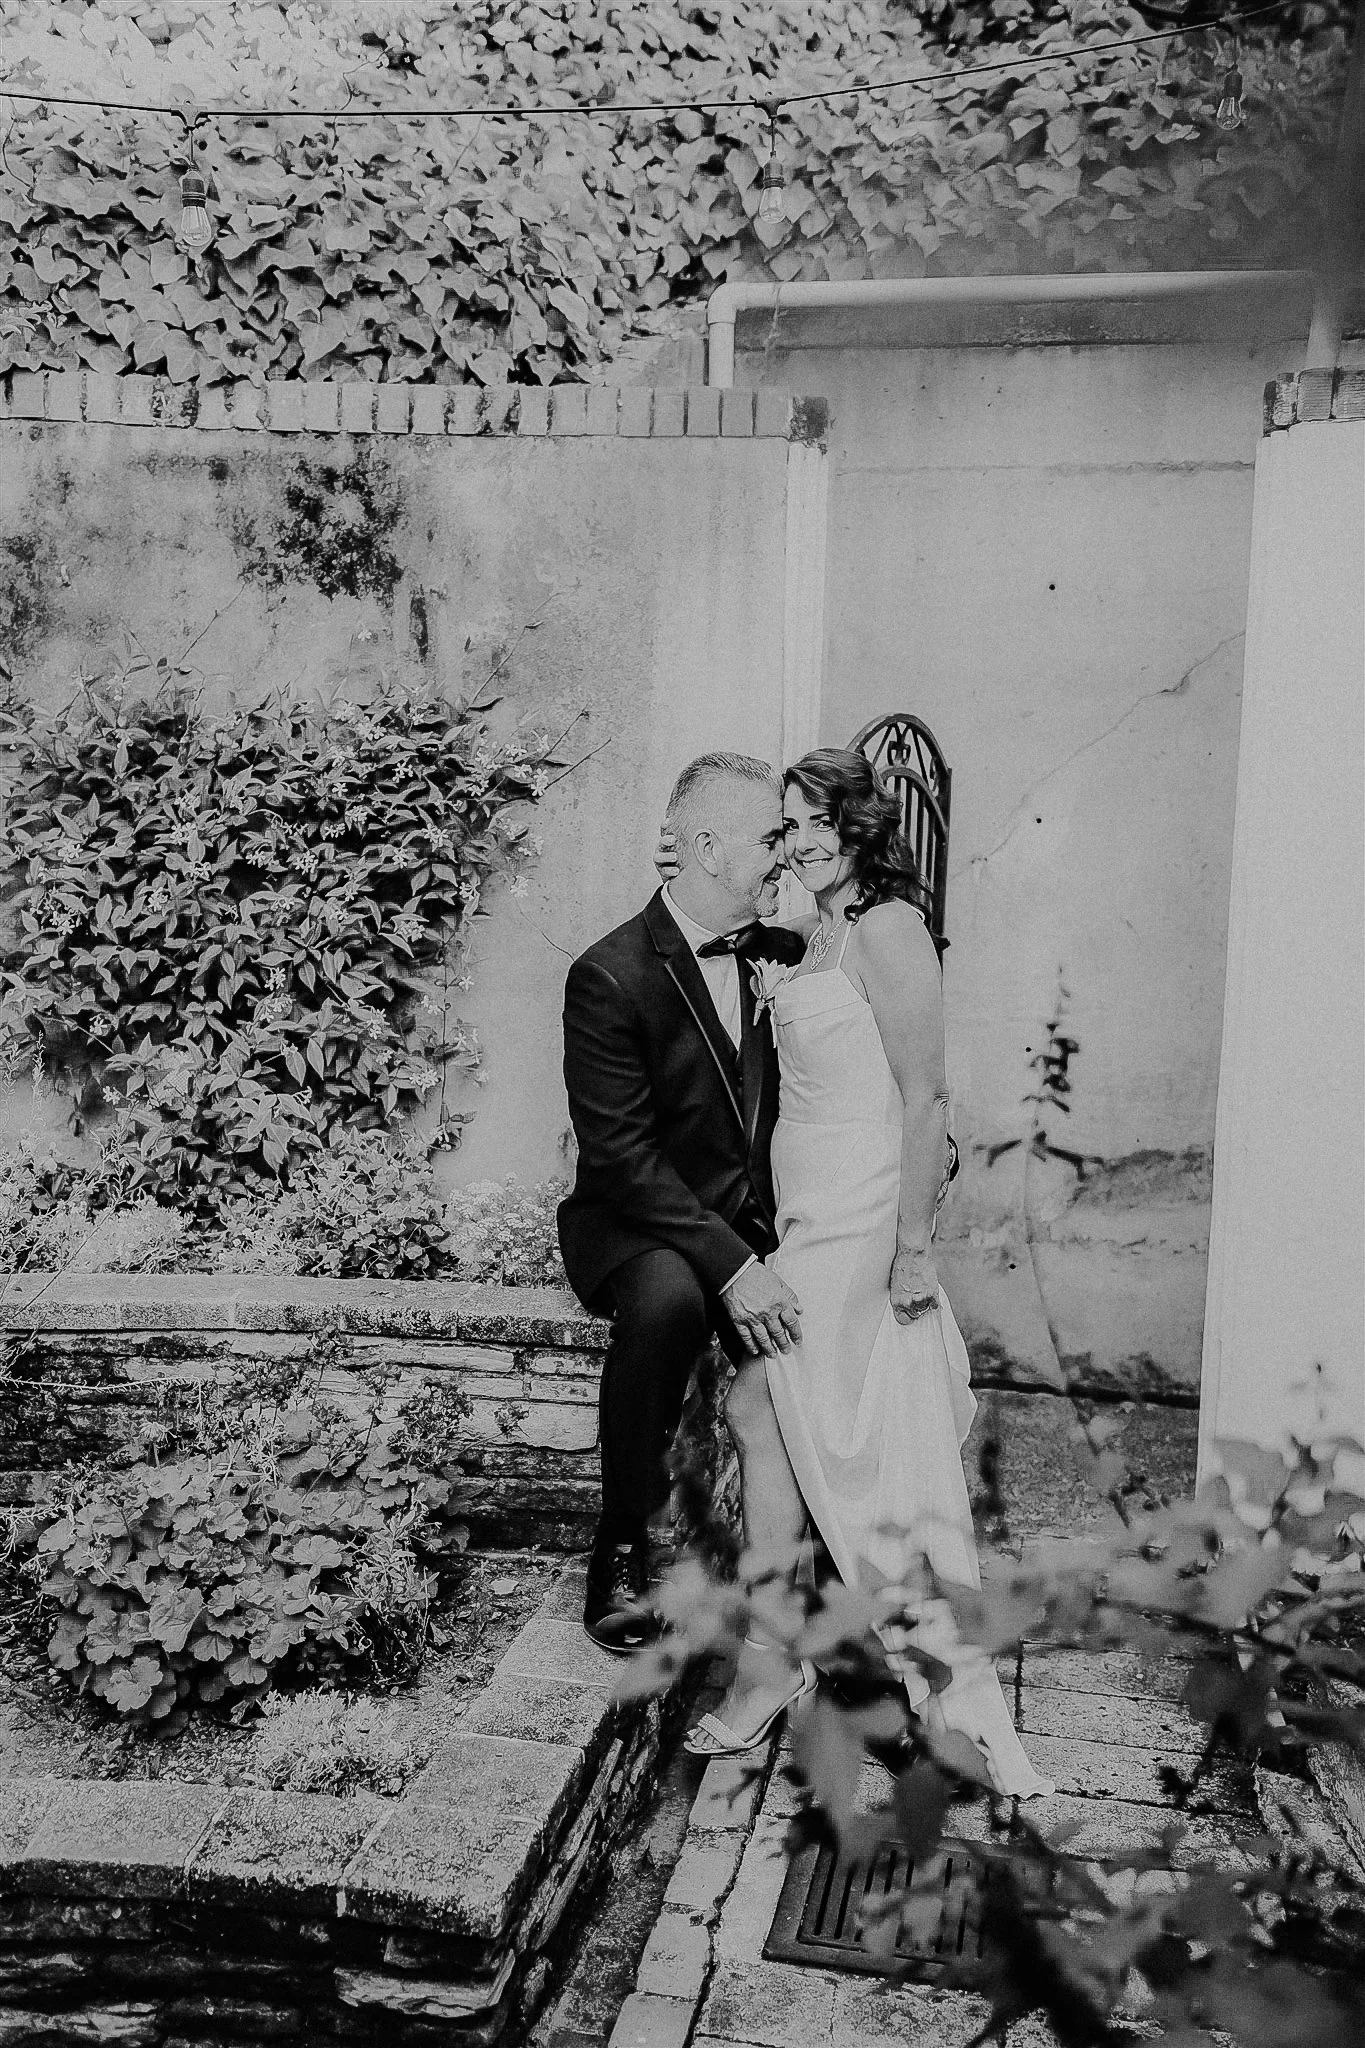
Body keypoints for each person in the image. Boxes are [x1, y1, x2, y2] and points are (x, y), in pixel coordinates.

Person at [673, 748, 1053, 1800]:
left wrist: (914, 1245)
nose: (793, 840)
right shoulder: (821, 931)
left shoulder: (888, 928)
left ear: (854, 823)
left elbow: (927, 1098)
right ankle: (828, 1657)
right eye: (783, 826)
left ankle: (834, 1665)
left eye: (806, 821)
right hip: (808, 1220)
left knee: (794, 1410)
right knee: (791, 1417)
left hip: (856, 1230)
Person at [557, 753, 814, 1654]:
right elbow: (624, 1161)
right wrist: (736, 1267)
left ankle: (810, 1558)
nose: (786, 852)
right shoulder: (610, 975)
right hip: (641, 1225)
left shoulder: (783, 955)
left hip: (753, 1218)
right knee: (667, 1301)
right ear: (707, 847)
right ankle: (622, 1543)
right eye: (771, 836)